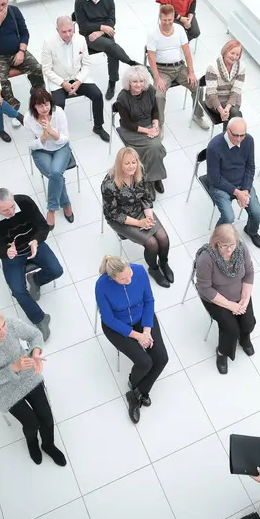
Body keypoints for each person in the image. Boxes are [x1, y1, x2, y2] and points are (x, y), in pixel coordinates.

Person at [0, 310, 66, 467]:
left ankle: (48, 445)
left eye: (3, 325)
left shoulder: (9, 325)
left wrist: (35, 353)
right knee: (32, 423)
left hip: (27, 373)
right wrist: (14, 367)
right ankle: (32, 443)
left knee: (46, 417)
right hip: (3, 388)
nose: (4, 331)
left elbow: (35, 335)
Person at [0, 188, 63, 340]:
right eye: (5, 210)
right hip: (13, 255)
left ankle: (35, 279)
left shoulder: (24, 202)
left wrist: (36, 240)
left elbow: (43, 226)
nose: (11, 211)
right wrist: (6, 252)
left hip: (34, 244)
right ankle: (40, 319)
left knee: (56, 270)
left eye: (12, 206)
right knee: (18, 290)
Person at [95, 255, 169, 424]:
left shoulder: (139, 271)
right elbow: (109, 319)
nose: (129, 280)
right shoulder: (102, 286)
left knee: (161, 359)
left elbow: (149, 300)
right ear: (112, 278)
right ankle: (133, 383)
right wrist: (138, 336)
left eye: (129, 275)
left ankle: (136, 393)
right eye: (123, 279)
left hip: (142, 319)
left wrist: (147, 330)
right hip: (118, 326)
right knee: (144, 362)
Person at [101, 147, 174, 288]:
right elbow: (114, 214)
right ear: (119, 164)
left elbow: (146, 195)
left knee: (163, 238)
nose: (132, 166)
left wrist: (148, 215)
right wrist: (139, 223)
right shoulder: (109, 184)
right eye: (127, 163)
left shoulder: (139, 170)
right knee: (152, 244)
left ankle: (163, 262)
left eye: (134, 162)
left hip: (139, 209)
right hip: (121, 218)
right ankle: (153, 269)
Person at [195, 224, 256, 375]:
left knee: (248, 321)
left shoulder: (241, 249)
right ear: (217, 243)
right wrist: (230, 305)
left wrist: (245, 298)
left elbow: (249, 273)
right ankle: (222, 352)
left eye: (232, 245)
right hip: (216, 298)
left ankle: (244, 337)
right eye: (224, 246)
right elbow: (205, 289)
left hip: (239, 294)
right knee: (231, 329)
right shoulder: (206, 258)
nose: (229, 250)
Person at [42, 16, 109, 142]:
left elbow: (86, 64)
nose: (68, 34)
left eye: (70, 30)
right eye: (64, 32)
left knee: (97, 95)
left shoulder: (80, 39)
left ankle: (98, 126)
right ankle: (58, 131)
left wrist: (78, 81)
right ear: (57, 30)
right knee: (58, 104)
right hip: (59, 80)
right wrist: (63, 83)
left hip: (78, 77)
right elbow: (46, 69)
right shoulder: (49, 43)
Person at [74, 0, 140, 101]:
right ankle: (131, 62)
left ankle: (112, 82)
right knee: (111, 46)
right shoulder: (80, 1)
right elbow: (83, 26)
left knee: (112, 51)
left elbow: (111, 20)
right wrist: (101, 27)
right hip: (88, 36)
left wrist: (101, 31)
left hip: (104, 32)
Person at [0, 0, 44, 112]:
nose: (1, 8)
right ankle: (13, 106)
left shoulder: (14, 11)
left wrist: (21, 51)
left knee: (37, 68)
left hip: (17, 51)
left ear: (7, 2)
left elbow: (24, 32)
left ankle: (38, 93)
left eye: (3, 4)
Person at [147, 3, 207, 130]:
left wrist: (191, 72)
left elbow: (187, 53)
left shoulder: (179, 30)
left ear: (173, 17)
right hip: (162, 69)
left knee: (197, 87)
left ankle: (198, 116)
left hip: (180, 68)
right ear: (160, 18)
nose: (167, 22)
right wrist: (157, 78)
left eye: (170, 19)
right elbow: (151, 58)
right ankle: (159, 125)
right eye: (164, 20)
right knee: (158, 95)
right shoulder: (153, 33)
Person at [206, 117, 260, 248]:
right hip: (221, 185)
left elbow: (250, 167)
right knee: (228, 217)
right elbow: (214, 178)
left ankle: (251, 230)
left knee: (257, 212)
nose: (239, 139)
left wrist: (245, 190)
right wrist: (237, 193)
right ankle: (216, 241)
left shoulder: (248, 140)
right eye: (235, 135)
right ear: (228, 130)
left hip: (242, 184)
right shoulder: (214, 147)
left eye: (242, 135)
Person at [24, 89, 74, 230]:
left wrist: (53, 133)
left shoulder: (58, 113)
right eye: (40, 106)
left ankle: (51, 209)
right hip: (41, 151)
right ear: (34, 106)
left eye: (46, 104)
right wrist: (43, 138)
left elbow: (66, 138)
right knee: (56, 176)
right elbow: (30, 144)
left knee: (55, 173)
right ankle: (66, 203)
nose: (44, 109)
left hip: (61, 148)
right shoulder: (28, 118)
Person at [116, 65, 167, 194]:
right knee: (156, 146)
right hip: (132, 130)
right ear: (129, 82)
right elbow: (126, 123)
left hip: (149, 124)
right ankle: (153, 178)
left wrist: (155, 123)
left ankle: (151, 178)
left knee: (154, 148)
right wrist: (147, 131)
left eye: (141, 81)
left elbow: (155, 109)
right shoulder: (122, 97)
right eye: (135, 82)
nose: (139, 85)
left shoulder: (149, 90)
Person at [205, 39, 245, 130]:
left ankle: (228, 137)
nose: (234, 57)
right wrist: (221, 110)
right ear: (225, 51)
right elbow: (212, 93)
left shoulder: (242, 67)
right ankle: (231, 137)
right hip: (215, 100)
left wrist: (227, 108)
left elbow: (236, 90)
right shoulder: (212, 67)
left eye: (237, 55)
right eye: (232, 53)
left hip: (232, 98)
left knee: (233, 112)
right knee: (236, 114)